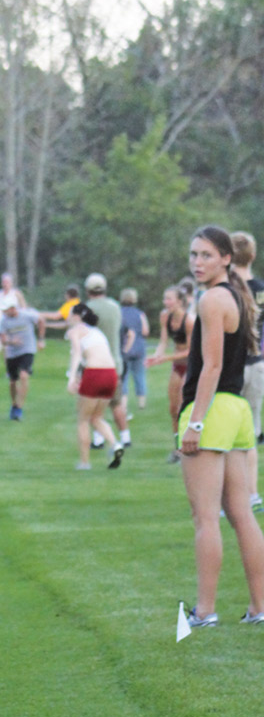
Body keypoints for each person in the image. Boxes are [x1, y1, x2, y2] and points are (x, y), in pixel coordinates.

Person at [178, 225, 264, 628]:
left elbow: (211, 366)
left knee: (206, 518)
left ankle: (204, 611)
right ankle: (259, 608)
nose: (197, 262)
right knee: (242, 514)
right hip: (237, 411)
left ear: (226, 259)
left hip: (212, 410)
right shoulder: (236, 295)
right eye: (194, 255)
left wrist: (195, 422)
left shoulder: (213, 298)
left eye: (206, 255)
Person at [65, 303, 124, 470]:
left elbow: (77, 354)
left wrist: (71, 377)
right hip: (111, 374)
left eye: (70, 314)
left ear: (77, 316)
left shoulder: (75, 331)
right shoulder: (96, 332)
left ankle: (84, 462)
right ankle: (115, 444)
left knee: (83, 419)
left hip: (94, 373)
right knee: (97, 417)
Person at [232, 231, 264, 511]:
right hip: (255, 364)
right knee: (250, 432)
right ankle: (252, 494)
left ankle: (230, 497)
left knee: (226, 433)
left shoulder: (225, 288)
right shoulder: (261, 289)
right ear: (253, 255)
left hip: (229, 367)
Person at [146, 284, 195, 463]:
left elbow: (191, 351)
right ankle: (177, 447)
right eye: (164, 299)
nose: (165, 302)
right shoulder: (165, 316)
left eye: (169, 299)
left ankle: (186, 449)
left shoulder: (189, 320)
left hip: (191, 366)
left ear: (180, 301)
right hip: (177, 366)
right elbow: (163, 341)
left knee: (183, 408)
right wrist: (156, 356)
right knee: (173, 409)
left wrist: (166, 358)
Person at [83, 272, 131, 450]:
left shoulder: (87, 309)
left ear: (88, 290)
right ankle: (125, 437)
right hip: (115, 362)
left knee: (95, 405)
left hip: (95, 364)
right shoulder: (115, 307)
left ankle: (98, 439)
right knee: (116, 403)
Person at [0, 301, 42, 420]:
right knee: (13, 381)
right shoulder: (4, 321)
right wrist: (11, 341)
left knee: (24, 375)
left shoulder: (27, 315)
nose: (5, 312)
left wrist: (41, 339)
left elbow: (41, 320)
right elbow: (3, 339)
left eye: (7, 309)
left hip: (27, 349)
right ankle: (14, 404)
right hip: (12, 353)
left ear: (13, 308)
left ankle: (19, 407)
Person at [119, 288, 149, 412]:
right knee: (139, 375)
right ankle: (141, 403)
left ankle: (123, 404)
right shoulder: (140, 314)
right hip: (139, 348)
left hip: (124, 348)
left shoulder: (119, 313)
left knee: (123, 377)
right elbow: (145, 331)